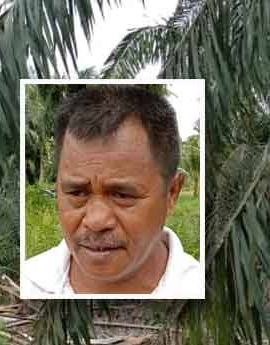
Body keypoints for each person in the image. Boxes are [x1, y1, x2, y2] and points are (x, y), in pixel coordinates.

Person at [21, 85, 203, 298]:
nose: (96, 221)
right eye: (77, 193)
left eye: (122, 195)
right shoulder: (28, 282)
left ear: (172, 193)